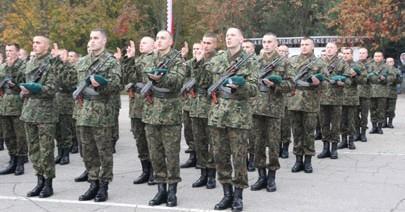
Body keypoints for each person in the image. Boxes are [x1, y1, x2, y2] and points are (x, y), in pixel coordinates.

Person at [208, 27, 257, 211]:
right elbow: (209, 83)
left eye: (233, 35)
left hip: (239, 114)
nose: (229, 38)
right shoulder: (218, 59)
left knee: (238, 157)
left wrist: (240, 86)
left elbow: (253, 89)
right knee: (220, 156)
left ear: (242, 39)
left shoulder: (250, 60)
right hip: (218, 113)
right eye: (227, 36)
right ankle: (226, 193)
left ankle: (238, 195)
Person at [75, 29, 121, 202]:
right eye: (91, 38)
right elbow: (77, 83)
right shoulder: (83, 62)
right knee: (88, 150)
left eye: (96, 38)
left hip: (102, 112)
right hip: (84, 112)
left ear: (104, 41)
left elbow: (117, 84)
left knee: (104, 151)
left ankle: (103, 185)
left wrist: (101, 85)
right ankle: (92, 182)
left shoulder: (111, 62)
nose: (92, 41)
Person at [142, 30, 185, 207]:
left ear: (171, 41)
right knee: (155, 153)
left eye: (163, 38)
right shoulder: (149, 58)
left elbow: (178, 81)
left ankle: (172, 191)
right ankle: (161, 190)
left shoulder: (177, 59)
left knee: (171, 154)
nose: (159, 41)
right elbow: (141, 73)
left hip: (170, 113)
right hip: (151, 112)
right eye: (157, 38)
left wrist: (161, 78)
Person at [250, 33, 293, 193]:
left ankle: (272, 177)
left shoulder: (284, 62)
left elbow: (291, 84)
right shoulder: (255, 61)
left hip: (274, 108)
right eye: (264, 42)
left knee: (274, 144)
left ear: (276, 44)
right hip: (256, 108)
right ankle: (261, 176)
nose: (266, 45)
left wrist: (276, 85)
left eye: (269, 42)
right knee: (257, 144)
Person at [20, 35, 58, 198]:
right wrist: (23, 90)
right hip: (29, 111)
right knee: (34, 149)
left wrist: (35, 89)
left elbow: (52, 88)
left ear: (47, 46)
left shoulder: (52, 63)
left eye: (38, 43)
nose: (34, 45)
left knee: (46, 150)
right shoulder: (30, 62)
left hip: (45, 113)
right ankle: (39, 180)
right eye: (33, 42)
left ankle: (48, 183)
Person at [288, 37, 325, 173]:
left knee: (309, 132)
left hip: (310, 102)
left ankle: (308, 160)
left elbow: (326, 83)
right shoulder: (292, 61)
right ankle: (298, 160)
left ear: (313, 46)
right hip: (294, 101)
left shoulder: (319, 62)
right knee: (296, 132)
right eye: (302, 44)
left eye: (307, 44)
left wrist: (318, 82)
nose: (304, 47)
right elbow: (287, 79)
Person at [186, 33, 218, 189]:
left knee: (212, 143)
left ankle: (212, 174)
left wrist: (200, 63)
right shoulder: (194, 62)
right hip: (196, 107)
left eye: (209, 43)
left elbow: (204, 82)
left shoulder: (217, 60)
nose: (205, 46)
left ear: (215, 45)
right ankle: (203, 173)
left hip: (211, 108)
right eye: (203, 42)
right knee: (199, 143)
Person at [123, 37, 156, 185]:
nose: (141, 45)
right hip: (136, 106)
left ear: (153, 45)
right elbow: (127, 77)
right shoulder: (136, 60)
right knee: (140, 140)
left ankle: (155, 171)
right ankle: (145, 170)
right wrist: (129, 59)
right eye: (140, 42)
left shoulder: (156, 59)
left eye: (144, 42)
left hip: (150, 105)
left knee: (152, 141)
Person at [318, 42, 352, 159]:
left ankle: (334, 148)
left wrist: (341, 82)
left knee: (336, 124)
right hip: (322, 98)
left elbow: (349, 80)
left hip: (336, 98)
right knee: (324, 124)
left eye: (331, 47)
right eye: (327, 48)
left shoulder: (342, 63)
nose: (329, 49)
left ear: (336, 50)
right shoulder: (320, 62)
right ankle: (325, 148)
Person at [0, 43, 27, 175]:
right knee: (8, 135)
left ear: (17, 52)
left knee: (20, 135)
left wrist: (11, 69)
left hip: (18, 104)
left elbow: (22, 83)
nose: (8, 53)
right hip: (4, 105)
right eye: (7, 51)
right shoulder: (3, 66)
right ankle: (12, 160)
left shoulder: (23, 65)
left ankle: (20, 162)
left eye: (11, 50)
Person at [53, 48, 77, 165]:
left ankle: (66, 154)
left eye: (62, 55)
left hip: (66, 104)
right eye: (58, 55)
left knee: (65, 130)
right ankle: (60, 153)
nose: (59, 57)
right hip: (54, 104)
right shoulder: (54, 67)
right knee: (57, 131)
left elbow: (69, 84)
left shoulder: (71, 68)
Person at [338, 47, 366, 150]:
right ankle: (343, 140)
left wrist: (355, 76)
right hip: (339, 97)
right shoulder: (338, 65)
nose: (345, 55)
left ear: (352, 54)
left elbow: (363, 80)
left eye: (348, 53)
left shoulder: (358, 65)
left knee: (352, 120)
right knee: (341, 120)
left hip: (351, 97)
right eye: (344, 53)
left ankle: (351, 141)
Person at [180, 42, 200, 169]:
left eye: (198, 48)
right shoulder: (189, 63)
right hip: (188, 103)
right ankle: (192, 156)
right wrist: (182, 57)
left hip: (200, 104)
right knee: (188, 131)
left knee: (200, 133)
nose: (196, 50)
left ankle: (203, 157)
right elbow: (181, 72)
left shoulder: (205, 63)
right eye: (194, 49)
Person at [368, 52, 395, 134]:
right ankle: (374, 127)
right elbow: (366, 76)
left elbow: (392, 77)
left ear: (382, 57)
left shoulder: (386, 66)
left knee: (381, 110)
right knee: (372, 110)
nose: (377, 58)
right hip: (372, 91)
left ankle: (379, 127)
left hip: (382, 91)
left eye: (379, 56)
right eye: (375, 56)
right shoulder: (370, 66)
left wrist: (385, 79)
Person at [355, 48, 371, 141]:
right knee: (355, 115)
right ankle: (357, 132)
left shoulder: (371, 65)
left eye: (363, 53)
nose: (361, 54)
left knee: (364, 115)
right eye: (360, 53)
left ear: (367, 54)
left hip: (366, 93)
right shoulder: (355, 64)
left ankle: (363, 133)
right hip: (355, 93)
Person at [384, 57, 402, 128]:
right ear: (386, 63)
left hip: (392, 92)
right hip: (383, 92)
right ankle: (384, 122)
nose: (389, 63)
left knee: (391, 109)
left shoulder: (397, 70)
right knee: (383, 108)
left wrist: (397, 78)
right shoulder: (383, 70)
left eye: (391, 61)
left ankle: (390, 122)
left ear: (393, 62)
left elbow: (400, 81)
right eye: (388, 62)